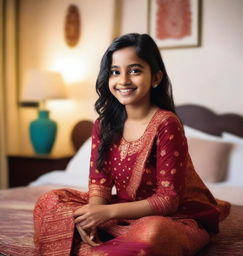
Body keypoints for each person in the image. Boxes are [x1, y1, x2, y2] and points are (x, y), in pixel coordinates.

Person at [33, 33, 230, 256]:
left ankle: (100, 248)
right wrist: (94, 215)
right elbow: (100, 185)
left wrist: (105, 214)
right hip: (120, 211)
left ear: (156, 78)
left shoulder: (167, 123)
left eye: (134, 70)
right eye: (115, 72)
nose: (123, 80)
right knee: (51, 202)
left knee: (154, 232)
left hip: (173, 216)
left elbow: (167, 201)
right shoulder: (103, 125)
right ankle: (109, 243)